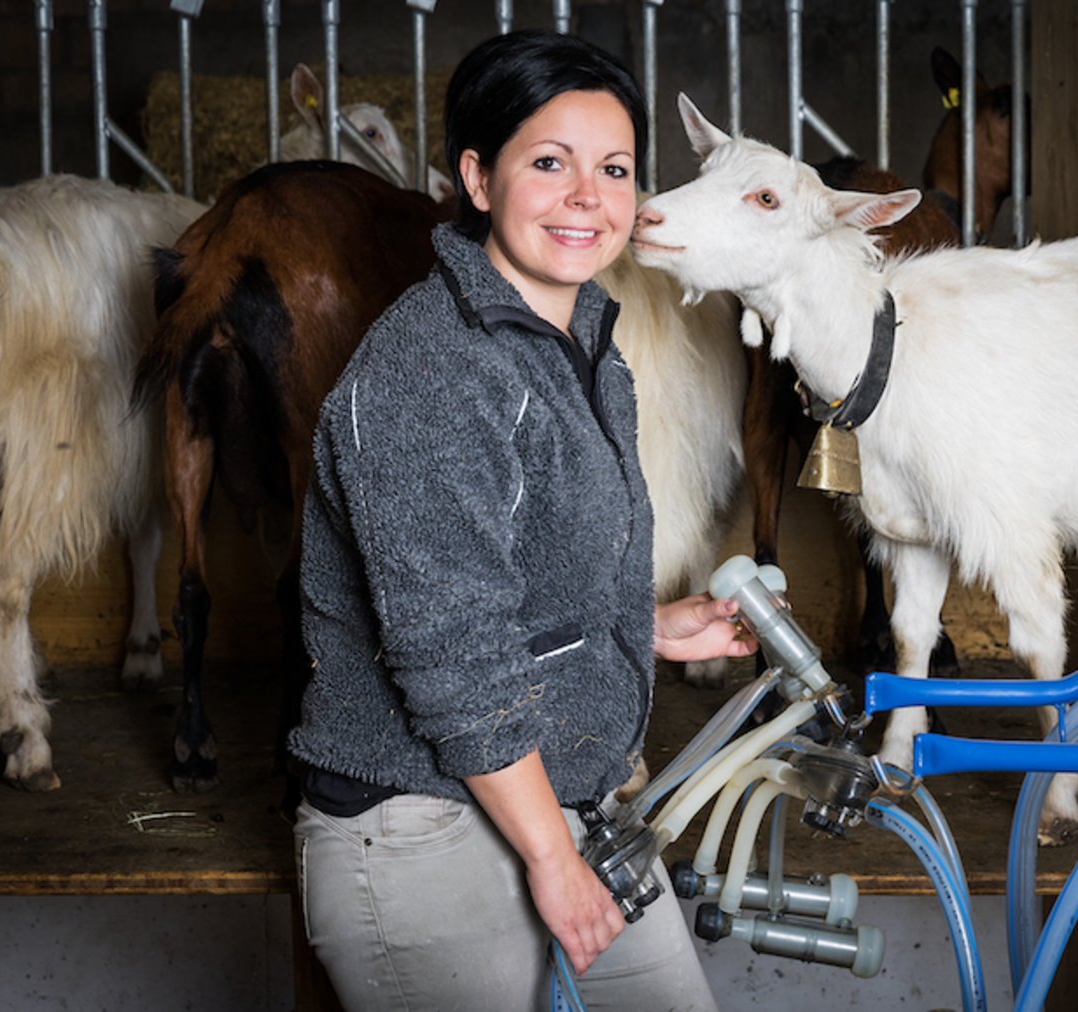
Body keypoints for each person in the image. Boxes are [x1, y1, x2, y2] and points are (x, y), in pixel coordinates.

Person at [287, 29, 755, 1012]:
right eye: (549, 163)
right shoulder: (431, 368)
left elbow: (515, 564)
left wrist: (639, 621)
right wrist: (551, 855)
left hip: (563, 789)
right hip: (418, 818)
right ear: (477, 179)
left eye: (614, 168)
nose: (589, 194)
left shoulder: (582, 340)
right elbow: (449, 645)